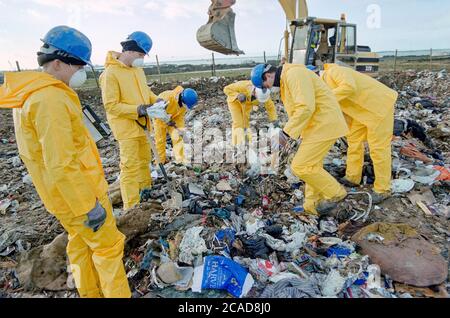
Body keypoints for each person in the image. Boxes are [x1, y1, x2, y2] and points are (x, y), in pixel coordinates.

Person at [0, 26, 130, 298]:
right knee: (108, 248)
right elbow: (60, 162)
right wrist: (88, 205)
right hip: (79, 196)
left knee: (79, 245)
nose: (81, 71)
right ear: (57, 62)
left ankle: (89, 292)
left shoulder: (29, 95)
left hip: (61, 196)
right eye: (78, 65)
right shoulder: (50, 99)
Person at [251, 63, 349, 215]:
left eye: (265, 85)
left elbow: (305, 108)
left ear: (268, 75)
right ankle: (311, 206)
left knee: (300, 166)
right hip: (315, 127)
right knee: (313, 166)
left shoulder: (294, 74)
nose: (268, 89)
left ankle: (336, 193)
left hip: (324, 124)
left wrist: (286, 134)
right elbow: (298, 111)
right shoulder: (287, 80)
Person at [100, 31, 161, 210]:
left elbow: (145, 93)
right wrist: (137, 110)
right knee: (130, 167)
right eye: (141, 54)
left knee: (144, 161)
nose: (142, 58)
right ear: (129, 50)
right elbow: (111, 105)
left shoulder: (137, 70)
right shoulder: (110, 73)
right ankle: (131, 206)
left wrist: (156, 100)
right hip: (126, 129)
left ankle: (145, 192)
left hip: (143, 126)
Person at [321, 64, 398, 203]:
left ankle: (383, 189)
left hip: (379, 107)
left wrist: (325, 99)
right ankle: (352, 177)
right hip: (361, 112)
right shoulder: (325, 89)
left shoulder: (334, 72)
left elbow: (349, 87)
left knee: (378, 149)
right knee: (353, 141)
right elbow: (343, 107)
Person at [223, 80, 279, 146]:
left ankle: (248, 142)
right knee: (238, 123)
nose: (258, 101)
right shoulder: (244, 85)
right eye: (257, 98)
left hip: (246, 104)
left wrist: (274, 119)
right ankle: (237, 145)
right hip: (234, 102)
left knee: (245, 122)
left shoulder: (265, 94)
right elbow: (226, 89)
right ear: (254, 92)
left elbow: (270, 107)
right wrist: (237, 95)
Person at [154, 86, 198, 164]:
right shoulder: (167, 98)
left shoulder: (183, 104)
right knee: (160, 140)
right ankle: (160, 161)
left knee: (178, 137)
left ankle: (180, 160)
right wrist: (167, 120)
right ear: (182, 99)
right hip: (159, 118)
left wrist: (180, 130)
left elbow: (180, 116)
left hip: (175, 116)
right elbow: (157, 111)